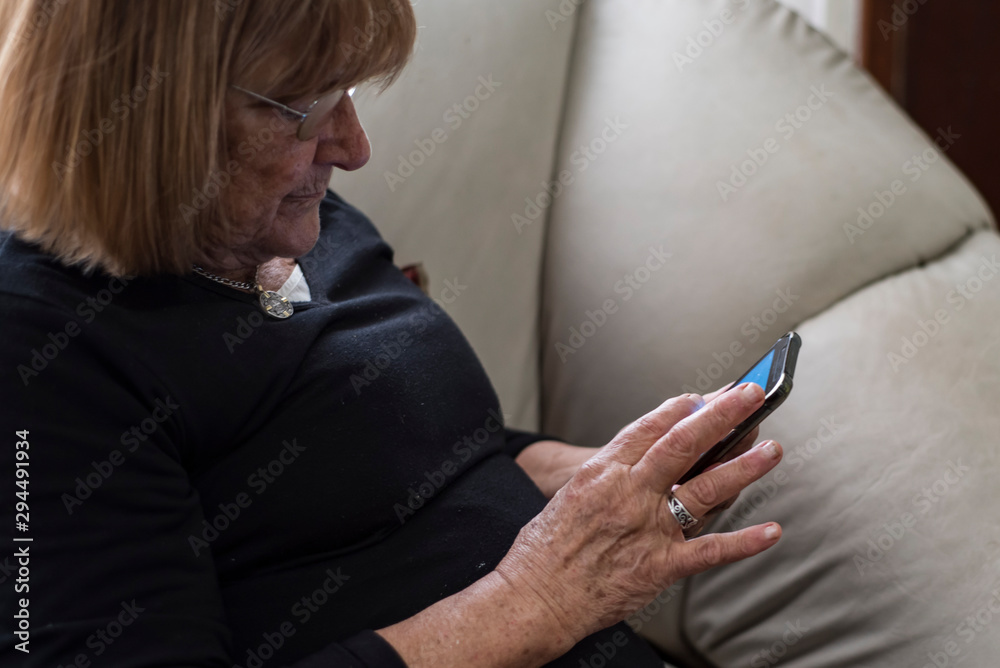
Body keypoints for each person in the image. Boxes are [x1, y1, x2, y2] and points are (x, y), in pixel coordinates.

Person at [0, 2, 784, 666]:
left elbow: (415, 447)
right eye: (306, 106)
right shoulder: (46, 346)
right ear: (155, 119)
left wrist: (610, 480)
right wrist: (539, 597)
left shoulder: (288, 216)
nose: (354, 145)